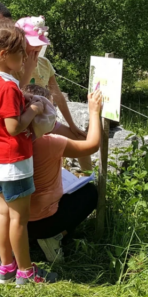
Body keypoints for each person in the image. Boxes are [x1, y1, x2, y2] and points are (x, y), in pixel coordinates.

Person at [0, 25, 56, 286]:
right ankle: (25, 271)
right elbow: (14, 127)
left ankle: (7, 267)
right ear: (3, 54)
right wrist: (33, 109)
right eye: (21, 55)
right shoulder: (8, 89)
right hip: (13, 160)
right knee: (19, 220)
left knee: (3, 214)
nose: (25, 59)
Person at [27, 90, 104, 263]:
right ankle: (55, 236)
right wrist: (94, 112)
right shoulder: (50, 143)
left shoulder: (10, 140)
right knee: (90, 193)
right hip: (45, 222)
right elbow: (91, 146)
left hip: (18, 222)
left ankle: (30, 241)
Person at [15, 16, 93, 172]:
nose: (36, 49)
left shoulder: (44, 64)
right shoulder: (13, 65)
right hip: (25, 124)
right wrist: (28, 69)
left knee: (80, 139)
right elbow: (13, 93)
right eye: (32, 45)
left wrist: (72, 126)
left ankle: (88, 179)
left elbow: (57, 95)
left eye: (39, 45)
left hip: (45, 120)